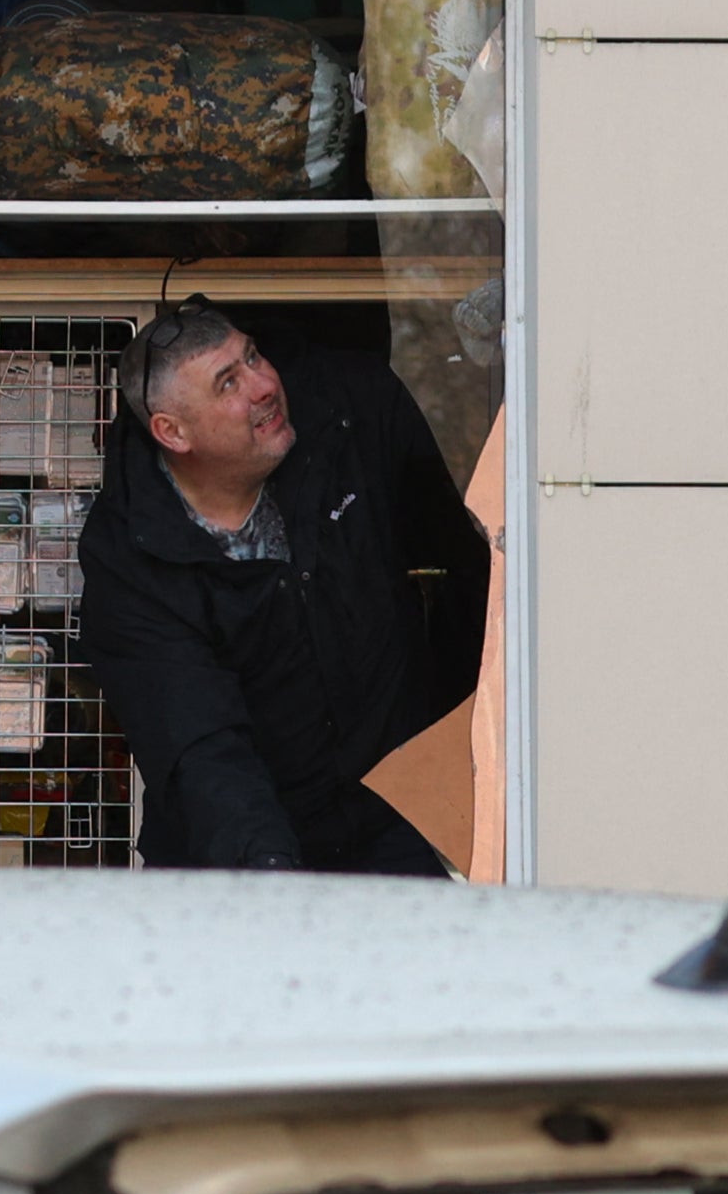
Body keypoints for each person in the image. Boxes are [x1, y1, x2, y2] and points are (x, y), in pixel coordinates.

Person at [78, 299, 490, 875]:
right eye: (228, 383)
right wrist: (269, 876)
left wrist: (476, 742)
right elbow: (202, 748)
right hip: (236, 853)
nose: (263, 385)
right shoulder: (131, 557)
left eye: (252, 356)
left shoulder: (347, 409)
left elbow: (472, 554)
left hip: (401, 816)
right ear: (172, 432)